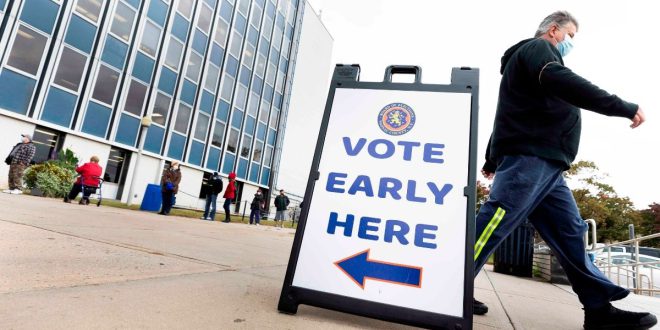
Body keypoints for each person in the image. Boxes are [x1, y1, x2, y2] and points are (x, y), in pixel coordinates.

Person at [473, 11, 655, 330]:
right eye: (571, 36)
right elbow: (562, 81)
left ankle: (598, 310)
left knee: (571, 232)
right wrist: (620, 106)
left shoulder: (532, 65)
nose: (571, 43)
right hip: (530, 157)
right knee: (497, 218)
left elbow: (509, 112)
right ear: (554, 30)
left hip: (549, 168)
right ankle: (448, 286)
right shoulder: (537, 49)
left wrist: (491, 158)